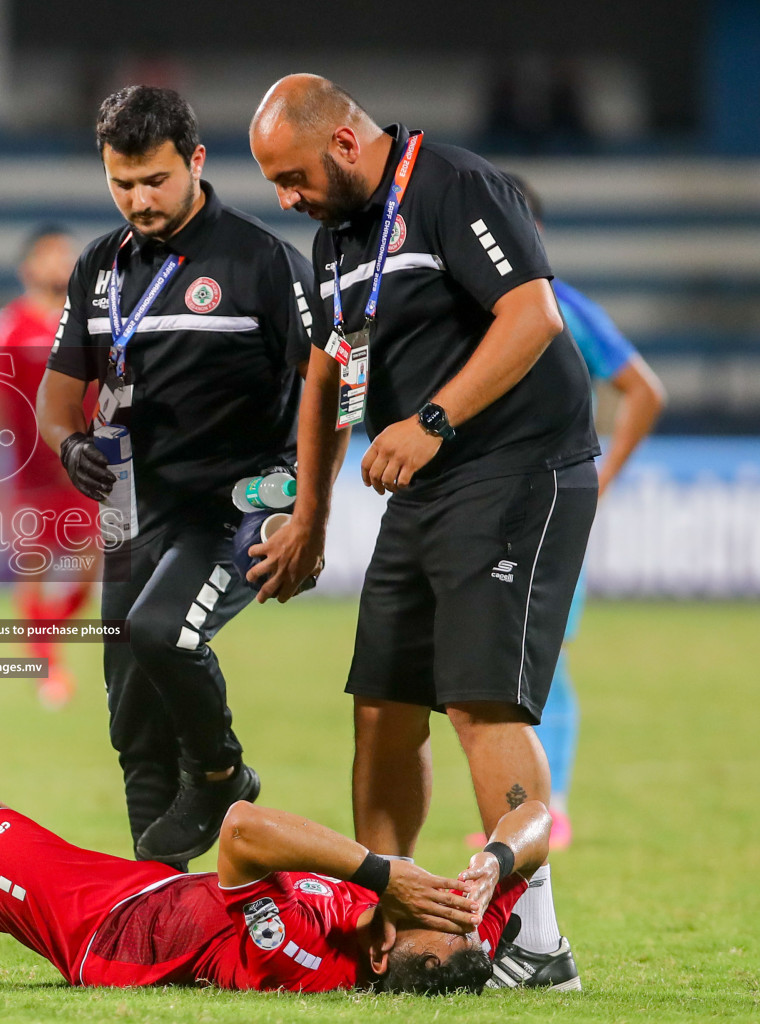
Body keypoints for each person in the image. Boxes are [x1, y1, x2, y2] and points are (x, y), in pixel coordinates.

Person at [246, 75, 599, 990]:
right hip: (426, 491)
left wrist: (432, 420)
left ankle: (538, 939)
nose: (287, 199)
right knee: (384, 710)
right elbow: (326, 376)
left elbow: (532, 316)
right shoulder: (335, 241)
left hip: (517, 467)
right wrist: (309, 520)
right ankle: (388, 916)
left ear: (346, 146)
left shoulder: (454, 184)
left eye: (292, 177)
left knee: (482, 703)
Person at [35, 86, 322, 868]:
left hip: (234, 507)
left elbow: (331, 392)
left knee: (165, 631)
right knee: (132, 720)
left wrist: (306, 505)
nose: (139, 200)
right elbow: (57, 401)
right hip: (134, 516)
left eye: (155, 180)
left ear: (196, 161)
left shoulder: (262, 262)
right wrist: (68, 447)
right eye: (121, 184)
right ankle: (153, 899)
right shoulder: (100, 266)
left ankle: (223, 777)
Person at [0, 773, 549, 995]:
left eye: (423, 910)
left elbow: (242, 828)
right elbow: (536, 817)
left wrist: (385, 872)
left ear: (377, 960)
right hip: (154, 892)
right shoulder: (438, 937)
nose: (429, 895)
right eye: (448, 904)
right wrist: (491, 873)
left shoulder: (295, 955)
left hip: (104, 929)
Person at [460, 175, 666, 850]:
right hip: (482, 501)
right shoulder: (464, 309)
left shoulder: (562, 308)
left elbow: (643, 390)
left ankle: (555, 806)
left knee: (543, 658)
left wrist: (602, 478)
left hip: (548, 501)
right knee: (487, 663)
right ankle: (516, 810)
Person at [0, 224, 95, 709]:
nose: (60, 264)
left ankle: (46, 643)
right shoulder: (7, 327)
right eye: (50, 256)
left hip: (83, 467)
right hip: (30, 473)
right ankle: (46, 667)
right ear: (28, 267)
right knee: (35, 570)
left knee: (89, 570)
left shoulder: (87, 323)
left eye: (66, 256)